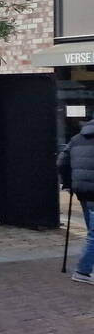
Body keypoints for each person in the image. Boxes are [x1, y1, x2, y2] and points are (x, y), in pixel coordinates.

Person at [58, 118, 94, 285]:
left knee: (91, 230)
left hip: (82, 191)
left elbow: (61, 162)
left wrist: (68, 182)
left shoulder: (76, 139)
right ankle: (83, 270)